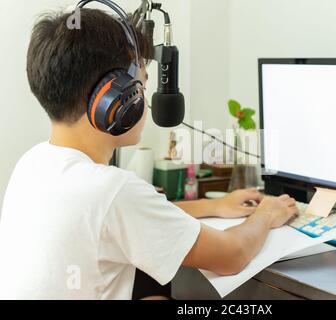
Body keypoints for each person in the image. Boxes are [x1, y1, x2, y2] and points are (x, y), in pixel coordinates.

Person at [0, 8, 298, 299]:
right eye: (141, 84)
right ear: (115, 99)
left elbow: (117, 221)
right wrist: (265, 215)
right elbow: (232, 256)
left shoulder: (34, 162)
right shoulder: (111, 191)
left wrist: (214, 207)